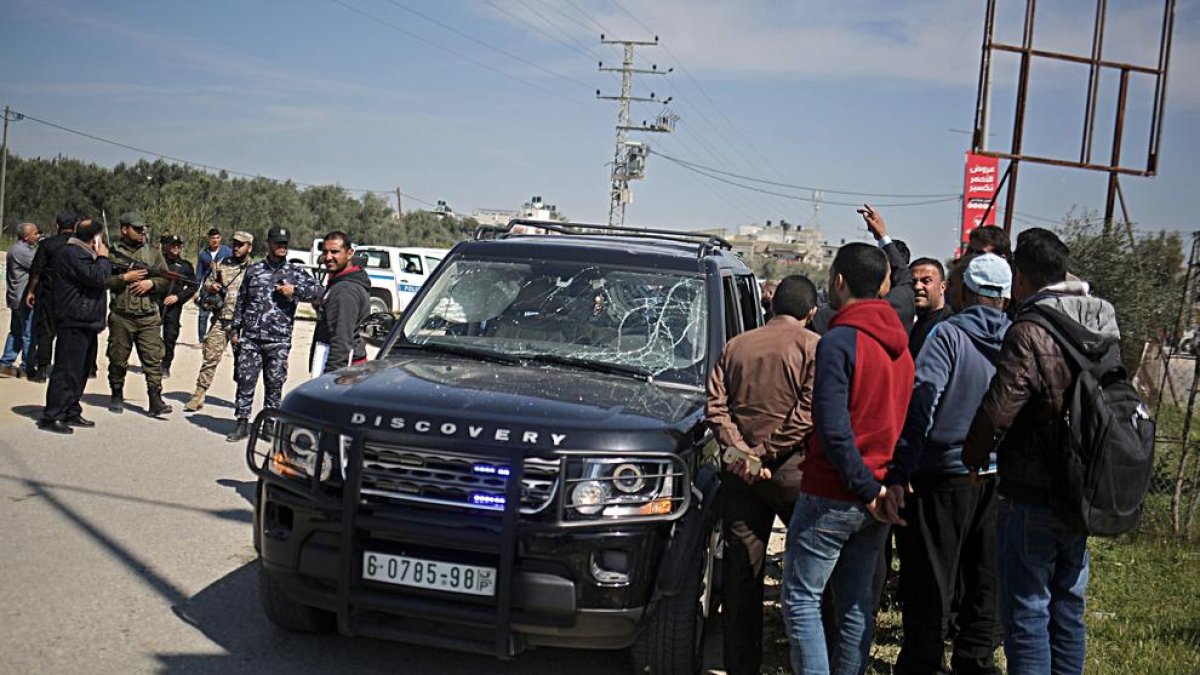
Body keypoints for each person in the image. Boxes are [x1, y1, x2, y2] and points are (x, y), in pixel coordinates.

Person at [961, 229, 1115, 675]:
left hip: (1032, 487)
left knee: (1027, 608)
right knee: (1068, 603)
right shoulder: (1102, 318)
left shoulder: (1029, 328)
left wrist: (973, 457)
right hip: (1084, 484)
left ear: (1021, 278)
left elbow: (1000, 407)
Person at [781, 242, 913, 675]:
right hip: (876, 494)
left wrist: (866, 487)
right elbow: (910, 423)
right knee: (856, 604)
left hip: (835, 492)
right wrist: (888, 484)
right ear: (883, 285)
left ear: (839, 281)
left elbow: (833, 429)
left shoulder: (839, 341)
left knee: (802, 599)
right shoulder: (901, 347)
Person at [886, 253, 1011, 675]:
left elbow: (923, 401)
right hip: (996, 476)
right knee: (985, 576)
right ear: (1005, 297)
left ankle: (924, 664)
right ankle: (976, 661)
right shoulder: (1016, 337)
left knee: (931, 578)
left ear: (965, 292)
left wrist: (902, 469)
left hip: (943, 474)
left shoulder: (948, 336)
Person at [706, 274, 820, 675]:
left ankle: (741, 665)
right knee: (808, 578)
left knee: (742, 576)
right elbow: (808, 412)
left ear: (771, 305)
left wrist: (742, 451)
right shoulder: (813, 347)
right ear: (811, 312)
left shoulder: (737, 345)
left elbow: (715, 406)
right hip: (794, 474)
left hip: (742, 474)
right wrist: (766, 452)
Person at [226, 226, 322, 442]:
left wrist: (295, 291)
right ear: (268, 244)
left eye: (285, 244)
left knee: (274, 383)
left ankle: (269, 424)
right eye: (278, 243)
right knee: (245, 380)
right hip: (251, 338)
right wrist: (235, 329)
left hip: (278, 340)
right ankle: (242, 423)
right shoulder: (254, 270)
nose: (282, 247)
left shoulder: (295, 273)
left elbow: (319, 292)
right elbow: (241, 300)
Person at [38, 218, 110, 434]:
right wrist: (103, 258)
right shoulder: (73, 253)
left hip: (86, 319)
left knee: (81, 370)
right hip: (74, 319)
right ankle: (53, 414)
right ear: (96, 238)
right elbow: (98, 277)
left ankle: (71, 409)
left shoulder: (84, 254)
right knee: (67, 370)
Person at [104, 212, 172, 417]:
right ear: (124, 229)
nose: (142, 232)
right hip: (122, 316)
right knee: (118, 358)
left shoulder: (153, 253)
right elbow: (102, 281)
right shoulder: (112, 253)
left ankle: (155, 399)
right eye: (137, 228)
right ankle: (116, 394)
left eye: (143, 228)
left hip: (148, 316)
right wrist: (125, 278)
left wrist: (151, 283)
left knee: (152, 359)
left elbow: (166, 279)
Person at [184, 231, 254, 413]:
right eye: (235, 244)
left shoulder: (255, 270)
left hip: (242, 325)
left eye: (241, 245)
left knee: (243, 363)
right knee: (210, 358)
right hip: (220, 320)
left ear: (249, 247)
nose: (236, 247)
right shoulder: (223, 263)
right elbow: (208, 282)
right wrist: (212, 286)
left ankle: (242, 398)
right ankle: (199, 395)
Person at [24, 212, 77, 382]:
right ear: (75, 226)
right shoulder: (80, 245)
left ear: (57, 226)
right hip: (72, 296)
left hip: (49, 294)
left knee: (45, 333)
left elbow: (36, 271)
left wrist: (31, 291)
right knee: (68, 333)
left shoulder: (47, 245)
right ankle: (64, 370)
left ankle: (42, 371)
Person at [311, 231, 370, 377]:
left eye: (335, 252)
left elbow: (341, 341)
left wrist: (330, 380)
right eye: (325, 252)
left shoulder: (345, 290)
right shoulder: (340, 284)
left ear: (350, 253)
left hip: (343, 372)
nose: (328, 257)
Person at [1, 222, 40, 378]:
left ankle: (6, 363)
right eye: (35, 234)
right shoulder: (22, 251)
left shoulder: (18, 249)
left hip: (15, 296)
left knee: (16, 331)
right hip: (23, 297)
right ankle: (26, 367)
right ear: (25, 236)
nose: (38, 236)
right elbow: (39, 266)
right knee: (29, 333)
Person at [158, 233, 197, 378]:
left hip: (173, 307)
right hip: (156, 303)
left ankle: (165, 365)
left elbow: (193, 286)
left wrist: (178, 297)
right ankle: (151, 362)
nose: (176, 248)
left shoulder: (185, 266)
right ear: (166, 246)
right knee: (150, 335)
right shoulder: (158, 262)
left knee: (170, 336)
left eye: (178, 245)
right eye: (173, 245)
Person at [908, 257, 952, 358]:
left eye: (926, 281)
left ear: (943, 287)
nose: (917, 286)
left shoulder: (951, 326)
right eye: (913, 281)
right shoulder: (909, 324)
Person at [195, 227, 231, 344]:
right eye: (213, 238)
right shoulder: (203, 254)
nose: (215, 240)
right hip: (207, 288)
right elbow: (199, 274)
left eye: (217, 238)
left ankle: (218, 340)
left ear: (220, 238)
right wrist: (196, 291)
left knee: (221, 315)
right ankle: (201, 340)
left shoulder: (227, 252)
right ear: (209, 239)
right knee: (203, 315)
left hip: (222, 288)